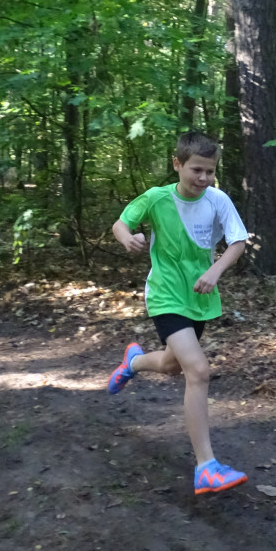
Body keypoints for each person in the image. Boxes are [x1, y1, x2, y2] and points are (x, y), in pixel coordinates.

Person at [107, 131, 249, 494]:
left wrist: (215, 271)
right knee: (198, 370)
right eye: (196, 170)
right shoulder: (156, 198)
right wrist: (128, 238)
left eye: (210, 171)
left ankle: (133, 363)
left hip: (200, 297)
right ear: (178, 165)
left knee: (172, 365)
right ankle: (206, 467)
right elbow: (121, 223)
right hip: (166, 294)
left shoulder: (217, 199)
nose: (203, 179)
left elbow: (238, 241)